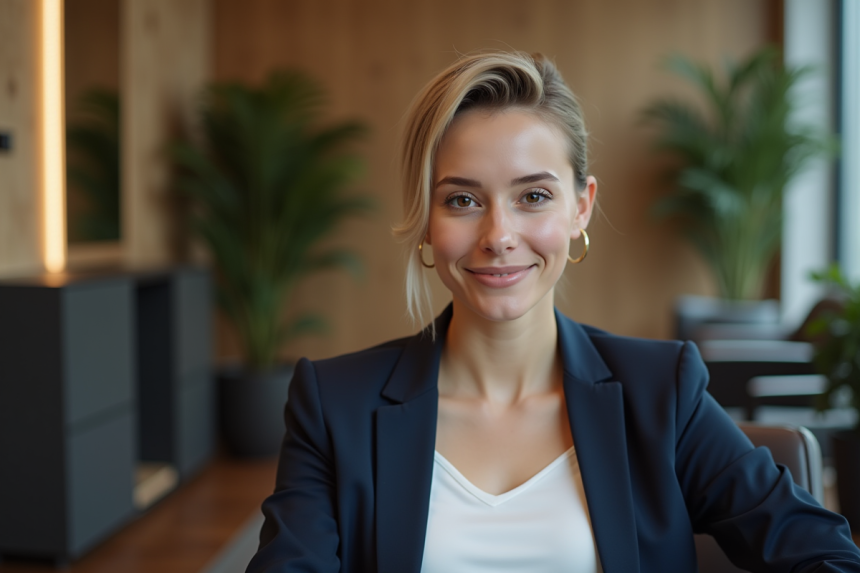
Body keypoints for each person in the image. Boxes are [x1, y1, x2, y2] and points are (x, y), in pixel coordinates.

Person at [246, 51, 860, 573]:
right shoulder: (334, 406)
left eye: (533, 196)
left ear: (580, 208)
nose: (498, 235)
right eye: (462, 200)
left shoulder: (661, 393)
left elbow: (826, 556)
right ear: (426, 221)